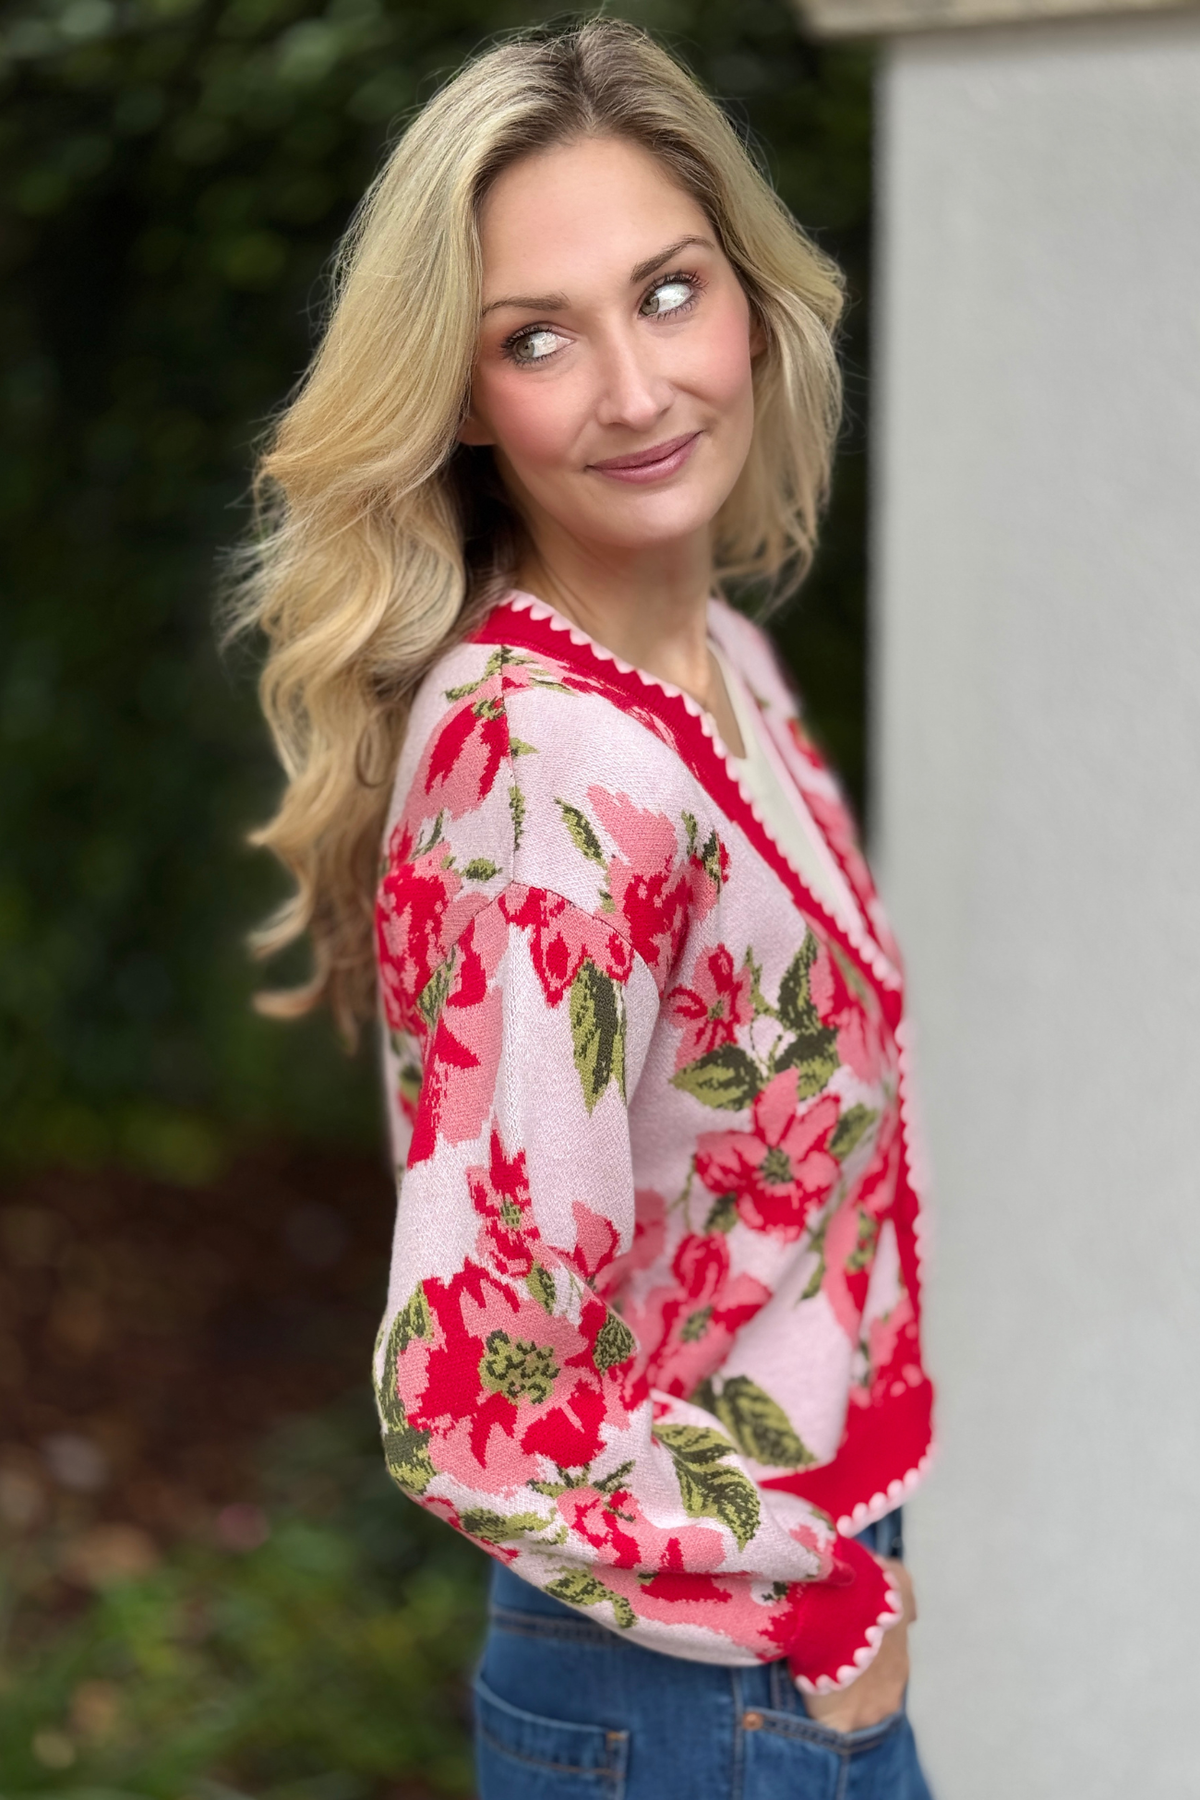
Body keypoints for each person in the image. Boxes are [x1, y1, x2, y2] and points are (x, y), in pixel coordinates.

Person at [236, 19, 935, 1798]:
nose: (634, 390)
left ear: (754, 297)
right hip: (694, 1679)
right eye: (538, 339)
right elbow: (476, 1384)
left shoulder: (724, 668)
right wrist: (813, 1604)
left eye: (670, 292)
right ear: (467, 401)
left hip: (762, 1644)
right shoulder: (551, 775)